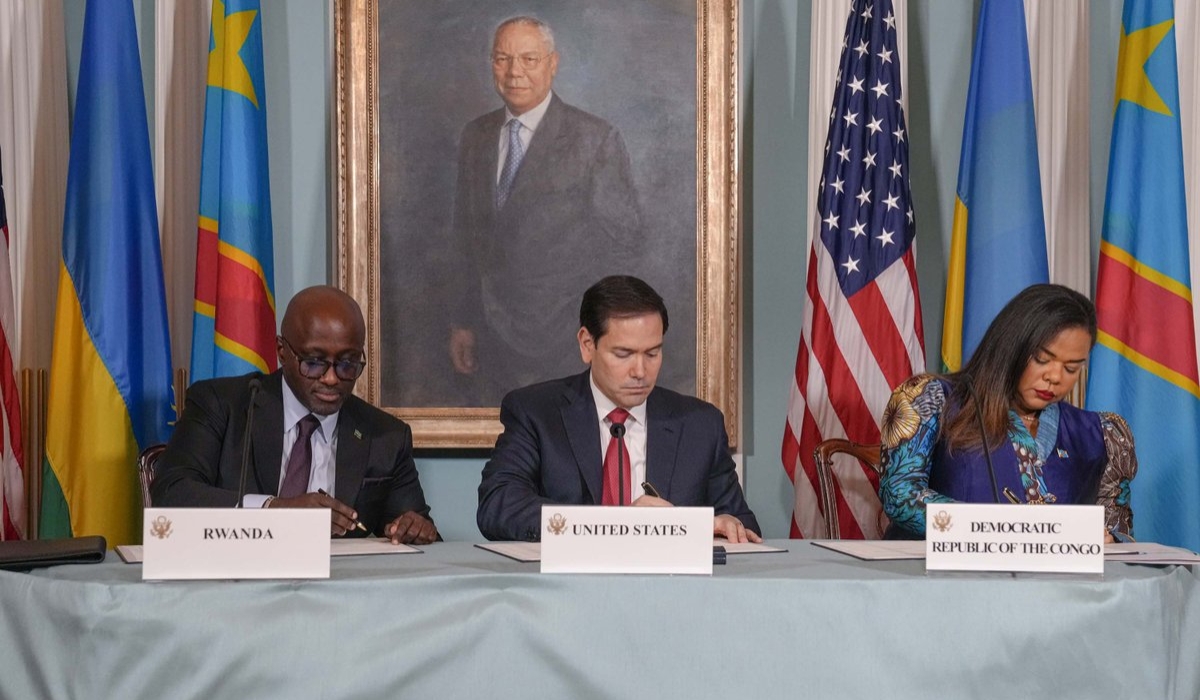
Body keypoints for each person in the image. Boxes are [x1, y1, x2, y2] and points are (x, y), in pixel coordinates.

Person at [477, 275, 761, 542]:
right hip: (567, 588)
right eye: (623, 354)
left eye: (653, 353)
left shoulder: (700, 424)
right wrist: (616, 524)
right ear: (588, 345)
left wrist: (716, 525)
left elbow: (743, 525)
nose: (640, 371)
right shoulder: (537, 412)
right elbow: (499, 505)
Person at [449, 16, 643, 403]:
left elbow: (622, 246)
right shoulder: (476, 136)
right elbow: (466, 240)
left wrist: (592, 332)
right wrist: (463, 323)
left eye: (528, 59)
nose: (514, 72)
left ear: (553, 64)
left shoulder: (594, 139)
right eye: (502, 59)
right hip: (488, 339)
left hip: (563, 340)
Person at [151, 286, 438, 544]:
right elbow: (172, 492)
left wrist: (415, 528)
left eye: (347, 364)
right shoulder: (223, 405)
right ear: (281, 351)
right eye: (314, 363)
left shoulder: (385, 435)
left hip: (339, 594)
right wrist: (275, 508)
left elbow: (418, 529)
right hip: (233, 585)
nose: (331, 378)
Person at [878, 284, 1137, 541]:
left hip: (1056, 583)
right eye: (1042, 360)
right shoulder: (931, 400)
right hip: (942, 578)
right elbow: (900, 495)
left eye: (1071, 368)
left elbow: (1116, 529)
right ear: (1011, 346)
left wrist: (1108, 538)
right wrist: (1009, 528)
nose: (1055, 377)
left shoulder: (1101, 434)